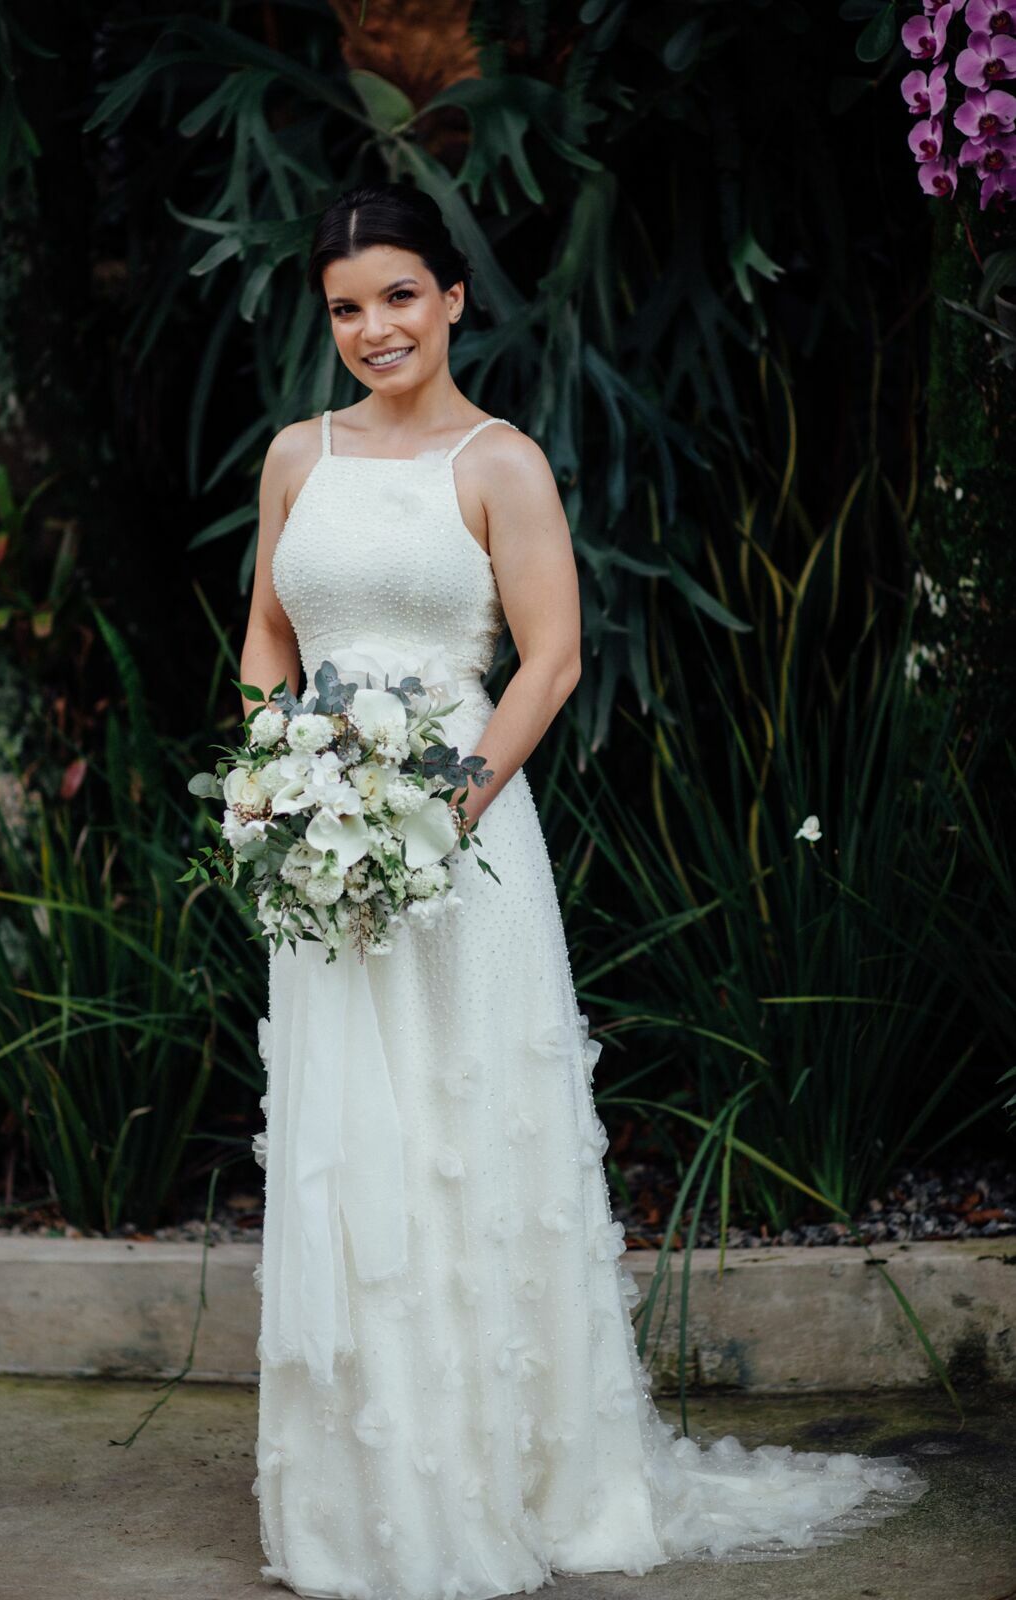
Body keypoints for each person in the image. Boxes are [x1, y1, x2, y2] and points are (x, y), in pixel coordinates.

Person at [239, 181, 925, 1600]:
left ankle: (509, 1482)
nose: (376, 327)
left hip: (463, 847)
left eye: (401, 295)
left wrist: (439, 808)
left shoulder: (502, 463)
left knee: (463, 1139)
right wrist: (283, 784)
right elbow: (264, 638)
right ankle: (362, 1499)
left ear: (453, 297)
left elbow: (547, 659)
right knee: (349, 1154)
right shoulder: (294, 457)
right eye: (348, 307)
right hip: (323, 862)